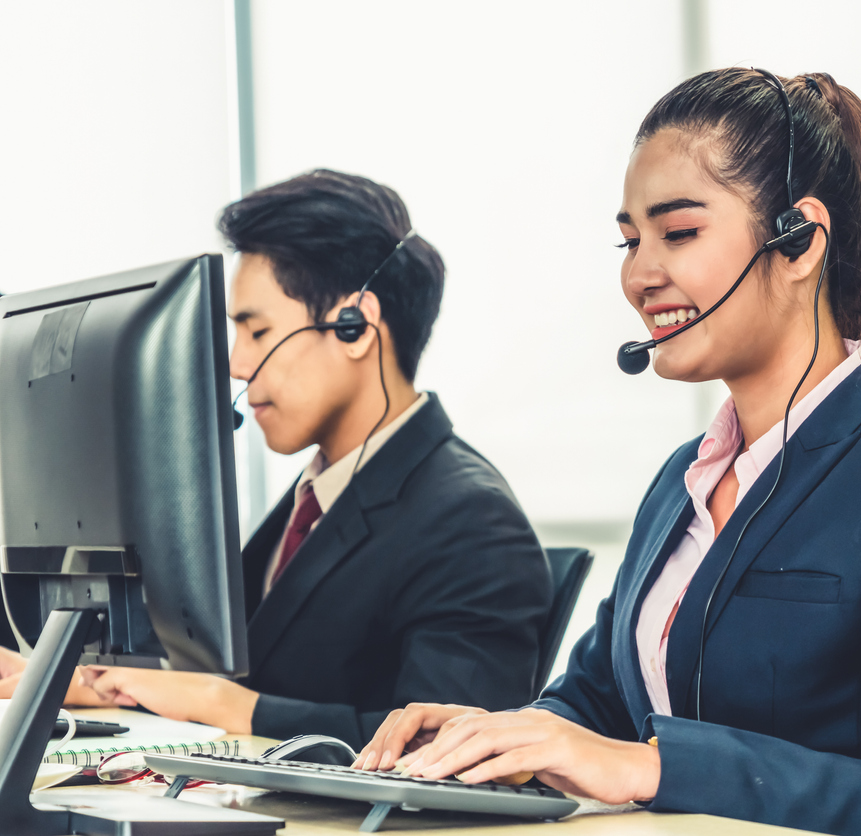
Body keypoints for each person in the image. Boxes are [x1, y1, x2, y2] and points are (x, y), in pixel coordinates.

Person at [355, 69, 861, 835]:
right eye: (629, 239)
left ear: (799, 241)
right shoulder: (681, 481)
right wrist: (495, 737)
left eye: (677, 233)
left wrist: (649, 766)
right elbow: (596, 703)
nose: (639, 274)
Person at [0, 170, 553, 749]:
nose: (237, 365)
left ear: (355, 326)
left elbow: (455, 749)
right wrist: (88, 682)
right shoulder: (317, 499)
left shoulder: (470, 522)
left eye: (257, 332)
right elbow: (263, 669)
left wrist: (229, 705)